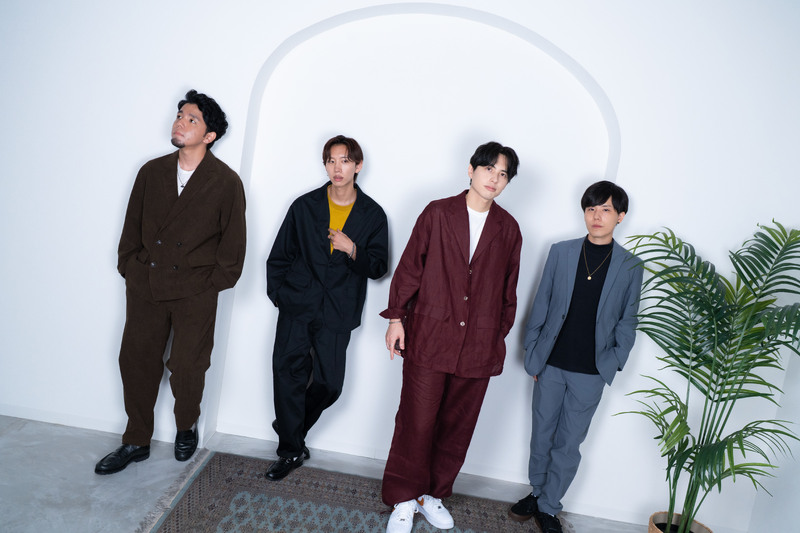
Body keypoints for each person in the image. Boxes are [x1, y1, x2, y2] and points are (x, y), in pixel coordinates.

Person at [95, 90, 247, 475]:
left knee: (188, 365)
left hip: (195, 289)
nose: (180, 122)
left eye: (191, 119)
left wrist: (211, 284)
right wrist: (130, 267)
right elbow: (131, 227)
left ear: (209, 135)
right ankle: (136, 440)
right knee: (135, 360)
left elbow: (233, 247)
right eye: (180, 115)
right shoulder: (151, 171)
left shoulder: (225, 182)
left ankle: (185, 426)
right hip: (146, 283)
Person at [380, 142, 522, 533]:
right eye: (489, 169)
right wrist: (396, 318)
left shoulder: (509, 229)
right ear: (471, 169)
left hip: (478, 346)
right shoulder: (438, 213)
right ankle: (404, 498)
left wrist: (494, 336)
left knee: (457, 426)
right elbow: (410, 267)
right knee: (417, 421)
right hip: (431, 336)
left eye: (503, 174)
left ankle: (432, 494)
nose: (495, 178)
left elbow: (508, 293)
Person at [507, 180, 643, 533]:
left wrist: (615, 360)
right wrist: (533, 352)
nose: (597, 216)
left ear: (620, 216)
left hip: (591, 371)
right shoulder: (561, 252)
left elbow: (629, 319)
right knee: (541, 435)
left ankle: (549, 507)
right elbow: (542, 301)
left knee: (568, 443)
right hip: (550, 363)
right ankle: (537, 493)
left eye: (606, 210)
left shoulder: (631, 266)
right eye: (591, 208)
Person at [265, 135, 389, 481]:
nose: (337, 167)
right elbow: (279, 257)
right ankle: (290, 450)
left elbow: (379, 267)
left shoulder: (373, 214)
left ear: (358, 166)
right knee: (287, 374)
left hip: (338, 310)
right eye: (331, 160)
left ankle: (289, 425)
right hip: (297, 306)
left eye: (345, 161)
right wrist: (281, 296)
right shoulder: (304, 207)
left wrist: (353, 250)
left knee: (330, 383)